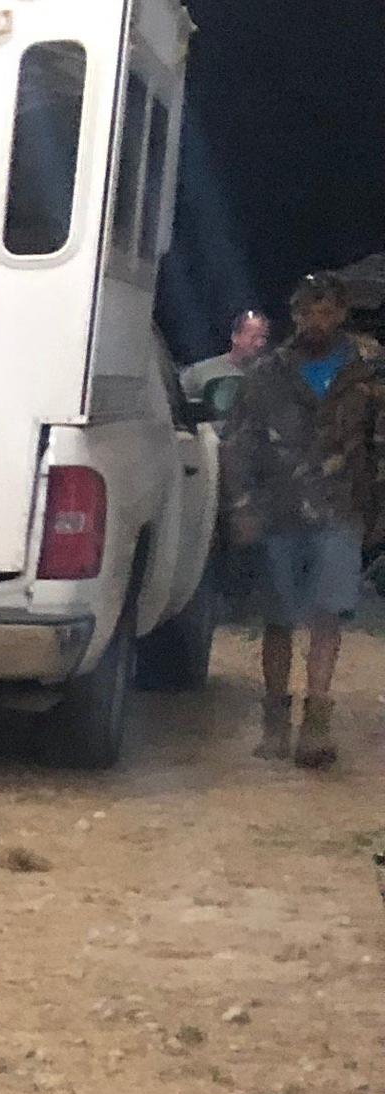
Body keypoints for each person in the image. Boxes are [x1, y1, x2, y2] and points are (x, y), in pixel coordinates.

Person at [218, 275, 380, 769]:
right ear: (296, 315)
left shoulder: (367, 371)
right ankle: (274, 718)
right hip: (279, 509)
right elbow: (239, 440)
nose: (318, 321)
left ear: (342, 312)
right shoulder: (270, 372)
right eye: (309, 311)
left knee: (328, 615)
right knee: (279, 618)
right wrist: (242, 505)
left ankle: (317, 719)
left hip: (341, 505)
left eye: (327, 310)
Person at [181, 308, 267, 423]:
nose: (260, 343)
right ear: (235, 337)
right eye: (254, 337)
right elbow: (176, 410)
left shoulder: (272, 374)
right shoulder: (200, 372)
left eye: (263, 338)